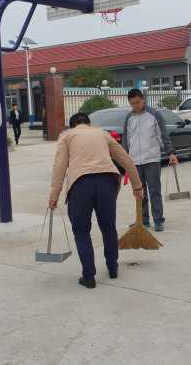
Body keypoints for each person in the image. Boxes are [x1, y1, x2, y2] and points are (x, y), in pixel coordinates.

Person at [49, 112, 143, 289]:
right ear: (89, 123)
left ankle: (89, 277)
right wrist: (137, 186)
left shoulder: (67, 136)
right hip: (107, 182)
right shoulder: (102, 134)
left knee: (82, 232)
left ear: (72, 125)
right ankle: (113, 267)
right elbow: (125, 159)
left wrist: (54, 196)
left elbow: (59, 167)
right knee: (108, 227)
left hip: (80, 185)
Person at [122, 88, 178, 232]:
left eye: (138, 102)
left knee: (154, 191)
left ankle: (158, 220)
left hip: (152, 159)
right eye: (132, 103)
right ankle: (143, 220)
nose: (136, 106)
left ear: (143, 100)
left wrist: (170, 152)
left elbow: (163, 135)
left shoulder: (154, 115)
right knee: (139, 192)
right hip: (135, 161)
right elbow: (126, 139)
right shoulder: (129, 118)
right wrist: (125, 158)